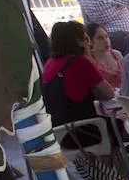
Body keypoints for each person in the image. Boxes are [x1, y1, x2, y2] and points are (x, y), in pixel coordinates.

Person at [41, 21, 114, 151]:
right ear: (77, 41)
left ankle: (109, 167)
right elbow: (109, 93)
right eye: (86, 39)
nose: (89, 43)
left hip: (59, 134)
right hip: (84, 131)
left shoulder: (50, 64)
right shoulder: (79, 63)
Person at [86, 23, 123, 89]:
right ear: (90, 41)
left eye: (106, 36)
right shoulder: (89, 60)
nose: (106, 41)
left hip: (123, 95)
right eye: (100, 38)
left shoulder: (117, 55)